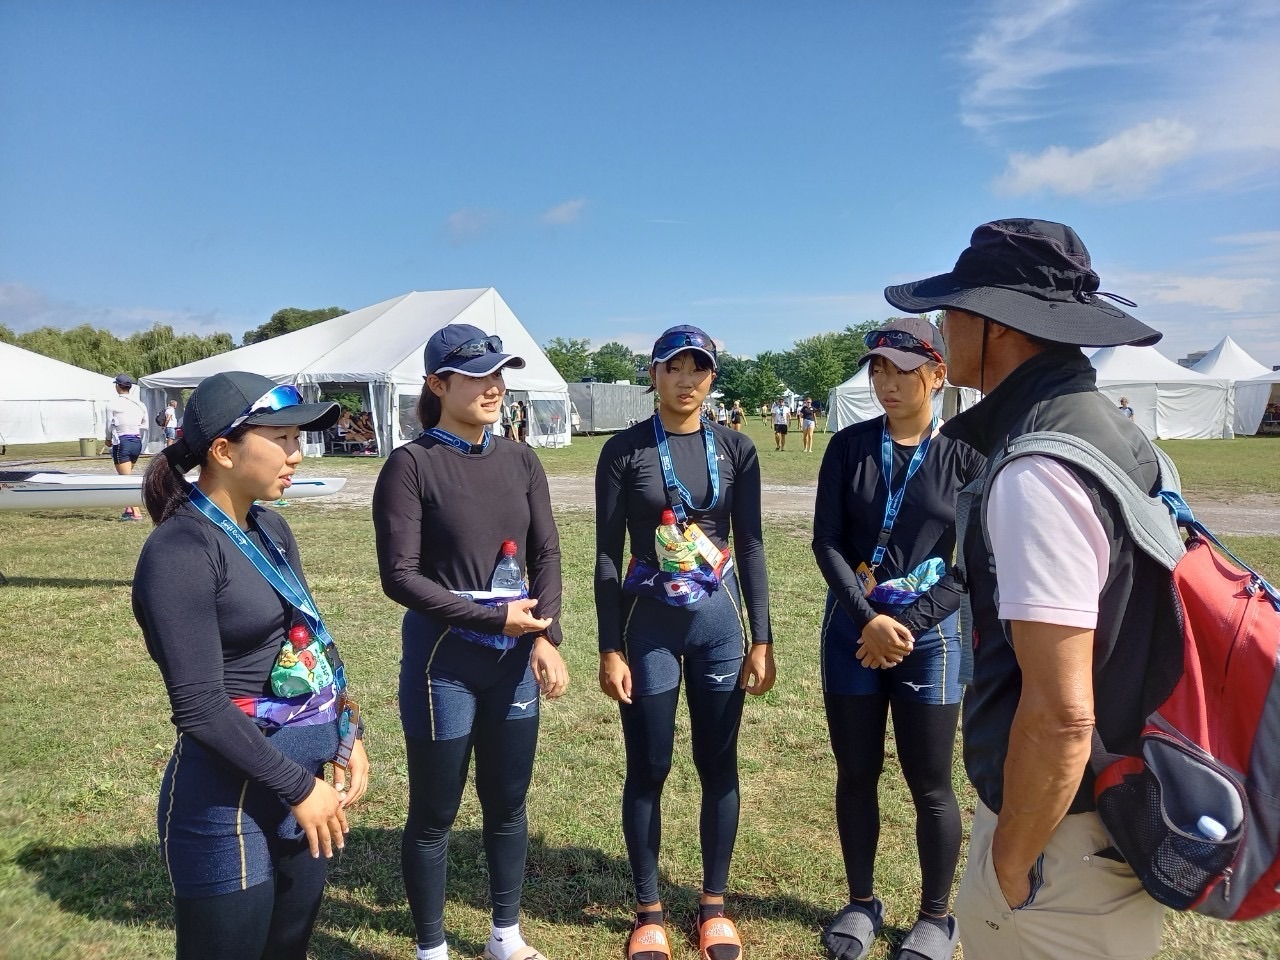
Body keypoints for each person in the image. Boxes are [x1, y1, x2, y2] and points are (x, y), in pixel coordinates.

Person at [885, 219, 1174, 959]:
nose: (943, 326)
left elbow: (1062, 715)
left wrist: (1012, 863)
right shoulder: (1108, 431)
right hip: (1116, 811)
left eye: (954, 309)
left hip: (1059, 843)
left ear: (998, 324)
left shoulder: (1038, 466)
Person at [132, 371, 367, 960]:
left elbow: (308, 641)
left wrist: (348, 733)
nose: (296, 454)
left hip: (304, 792)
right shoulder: (179, 550)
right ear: (223, 451)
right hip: (226, 805)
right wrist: (299, 788)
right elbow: (199, 706)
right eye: (282, 438)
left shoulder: (271, 527)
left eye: (297, 438)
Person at [373, 323, 569, 960]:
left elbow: (546, 552)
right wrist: (493, 621)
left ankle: (505, 935)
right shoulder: (411, 465)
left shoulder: (520, 459)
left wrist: (545, 635)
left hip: (514, 660)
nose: (494, 387)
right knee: (435, 813)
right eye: (478, 375)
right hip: (444, 665)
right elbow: (400, 578)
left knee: (508, 805)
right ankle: (431, 948)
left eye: (499, 374)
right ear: (437, 384)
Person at [595, 324, 776, 960]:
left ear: (712, 378)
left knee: (717, 765)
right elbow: (606, 554)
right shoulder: (623, 450)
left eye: (698, 368)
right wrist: (610, 647)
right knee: (649, 766)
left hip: (718, 626)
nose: (686, 380)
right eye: (673, 368)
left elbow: (750, 544)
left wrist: (762, 636)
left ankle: (713, 905)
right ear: (654, 375)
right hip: (648, 626)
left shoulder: (737, 448)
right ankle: (648, 911)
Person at [813, 318, 985, 960]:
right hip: (853, 630)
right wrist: (868, 620)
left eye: (902, 370)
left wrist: (904, 626)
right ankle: (861, 903)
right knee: (856, 772)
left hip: (930, 637)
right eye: (878, 369)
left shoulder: (966, 454)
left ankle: (936, 917)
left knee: (930, 783)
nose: (886, 382)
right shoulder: (848, 446)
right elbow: (827, 540)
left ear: (937, 375)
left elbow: (973, 564)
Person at [106, 373, 148, 519]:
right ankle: (128, 509)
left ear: (118, 386)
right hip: (136, 442)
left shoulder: (113, 404)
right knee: (127, 475)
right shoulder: (140, 404)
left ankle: (136, 512)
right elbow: (145, 424)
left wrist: (108, 439)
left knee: (125, 479)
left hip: (122, 442)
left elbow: (108, 425)